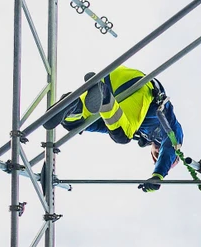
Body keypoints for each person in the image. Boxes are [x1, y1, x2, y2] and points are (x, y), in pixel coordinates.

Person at [46, 66, 185, 192]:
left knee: (78, 124)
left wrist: (83, 125)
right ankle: (104, 96)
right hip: (139, 87)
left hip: (113, 78)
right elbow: (170, 147)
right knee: (122, 135)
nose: (158, 155)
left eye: (156, 159)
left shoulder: (137, 129)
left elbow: (102, 125)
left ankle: (73, 107)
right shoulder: (171, 127)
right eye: (164, 158)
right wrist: (158, 174)